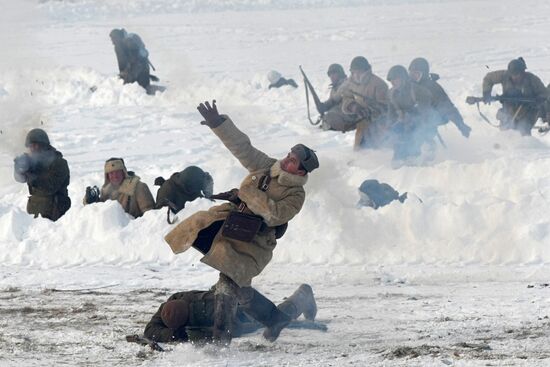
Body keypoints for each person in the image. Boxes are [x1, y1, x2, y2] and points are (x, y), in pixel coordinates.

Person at [164, 100, 319, 344]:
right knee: (237, 288)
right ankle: (285, 311)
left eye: (293, 161)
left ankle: (221, 340)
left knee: (228, 283)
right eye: (288, 155)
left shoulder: (296, 195)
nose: (286, 160)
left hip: (254, 242)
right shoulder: (268, 167)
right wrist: (219, 125)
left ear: (301, 172)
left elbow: (276, 214)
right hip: (231, 227)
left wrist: (247, 194)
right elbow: (243, 148)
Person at [144, 284, 317, 343]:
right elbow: (150, 330)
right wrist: (174, 335)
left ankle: (303, 295)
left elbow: (234, 330)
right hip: (227, 297)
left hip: (240, 310)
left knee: (277, 319)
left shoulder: (209, 309)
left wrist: (206, 335)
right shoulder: (174, 303)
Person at [13, 128, 71, 221]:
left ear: (44, 145)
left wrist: (30, 175)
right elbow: (20, 179)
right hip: (35, 213)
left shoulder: (59, 163)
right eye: (31, 146)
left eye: (36, 145)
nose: (33, 149)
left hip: (57, 214)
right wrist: (19, 169)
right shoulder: (32, 162)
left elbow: (50, 187)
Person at [481, 57, 547, 136]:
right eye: (512, 74)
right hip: (508, 110)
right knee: (505, 131)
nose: (515, 76)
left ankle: (527, 146)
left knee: (523, 130)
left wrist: (539, 99)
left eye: (517, 74)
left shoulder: (532, 79)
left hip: (528, 111)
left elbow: (545, 93)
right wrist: (486, 92)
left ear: (523, 72)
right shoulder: (504, 75)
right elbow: (489, 78)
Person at [408, 57, 471, 138]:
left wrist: (460, 124)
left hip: (432, 117)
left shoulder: (433, 88)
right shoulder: (407, 85)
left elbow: (447, 107)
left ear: (423, 74)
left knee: (424, 121)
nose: (413, 76)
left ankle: (428, 143)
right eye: (411, 73)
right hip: (411, 115)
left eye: (416, 73)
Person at [386, 65, 437, 164]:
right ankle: (399, 158)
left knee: (414, 133)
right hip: (404, 122)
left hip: (422, 123)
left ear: (403, 78)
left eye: (395, 79)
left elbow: (426, 112)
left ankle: (418, 154)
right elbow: (391, 112)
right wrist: (390, 124)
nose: (392, 82)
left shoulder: (418, 91)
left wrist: (411, 117)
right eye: (391, 80)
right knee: (396, 133)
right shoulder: (391, 93)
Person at [340, 56, 389, 150]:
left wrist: (370, 111)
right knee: (359, 149)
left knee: (378, 150)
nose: (356, 75)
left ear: (366, 71)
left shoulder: (379, 84)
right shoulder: (350, 83)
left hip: (378, 124)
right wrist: (353, 107)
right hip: (361, 123)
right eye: (354, 72)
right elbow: (346, 97)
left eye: (359, 72)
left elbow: (385, 107)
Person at [83, 158, 155, 218]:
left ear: (124, 172)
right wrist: (91, 201)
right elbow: (101, 214)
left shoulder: (139, 187)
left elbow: (150, 216)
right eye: (111, 173)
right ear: (107, 176)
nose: (115, 176)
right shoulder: (106, 191)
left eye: (118, 172)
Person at [109, 28, 158, 94]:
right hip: (140, 73)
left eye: (113, 39)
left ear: (117, 37)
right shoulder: (122, 44)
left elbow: (137, 63)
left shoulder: (129, 43)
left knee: (137, 90)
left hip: (140, 77)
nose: (112, 42)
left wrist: (127, 80)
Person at [318, 63, 359, 132]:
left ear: (340, 74)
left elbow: (335, 99)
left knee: (330, 116)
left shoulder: (346, 83)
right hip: (341, 115)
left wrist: (324, 106)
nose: (331, 76)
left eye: (334, 73)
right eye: (330, 74)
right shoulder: (334, 87)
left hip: (350, 116)